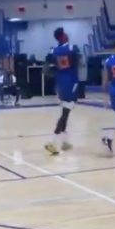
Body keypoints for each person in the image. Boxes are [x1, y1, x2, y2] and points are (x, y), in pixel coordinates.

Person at [44, 27, 79, 155]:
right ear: (62, 36)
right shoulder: (72, 48)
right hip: (71, 82)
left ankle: (64, 142)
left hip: (60, 83)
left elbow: (47, 67)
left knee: (66, 112)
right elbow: (78, 61)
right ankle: (52, 142)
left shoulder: (53, 51)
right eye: (65, 34)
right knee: (65, 113)